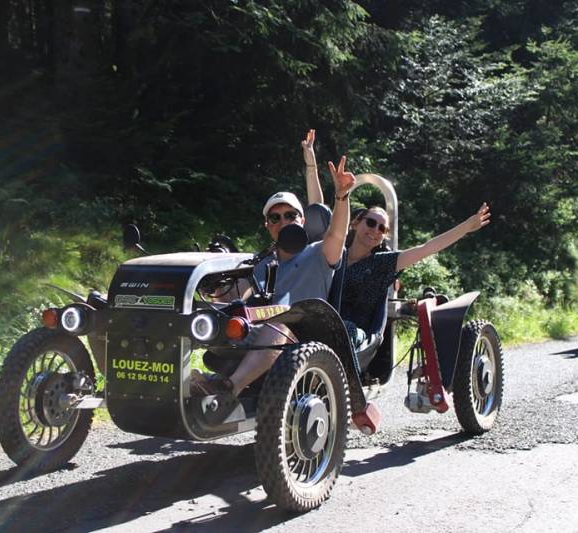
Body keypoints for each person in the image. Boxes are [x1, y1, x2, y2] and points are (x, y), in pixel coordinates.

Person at [191, 146, 356, 398]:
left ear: (302, 220)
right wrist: (212, 289)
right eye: (275, 218)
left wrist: (342, 197)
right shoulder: (260, 261)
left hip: (304, 335)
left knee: (279, 324)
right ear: (268, 225)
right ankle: (175, 384)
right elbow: (232, 297)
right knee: (207, 319)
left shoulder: (319, 252)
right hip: (262, 331)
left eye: (290, 215)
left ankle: (228, 388)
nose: (283, 222)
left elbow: (337, 233)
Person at [302, 130, 491, 349]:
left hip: (354, 334)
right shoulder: (335, 253)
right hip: (321, 327)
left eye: (382, 228)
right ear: (355, 223)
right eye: (371, 222)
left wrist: (467, 226)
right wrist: (311, 164)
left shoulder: (383, 264)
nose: (375, 230)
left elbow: (428, 248)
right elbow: (317, 210)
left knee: (343, 330)